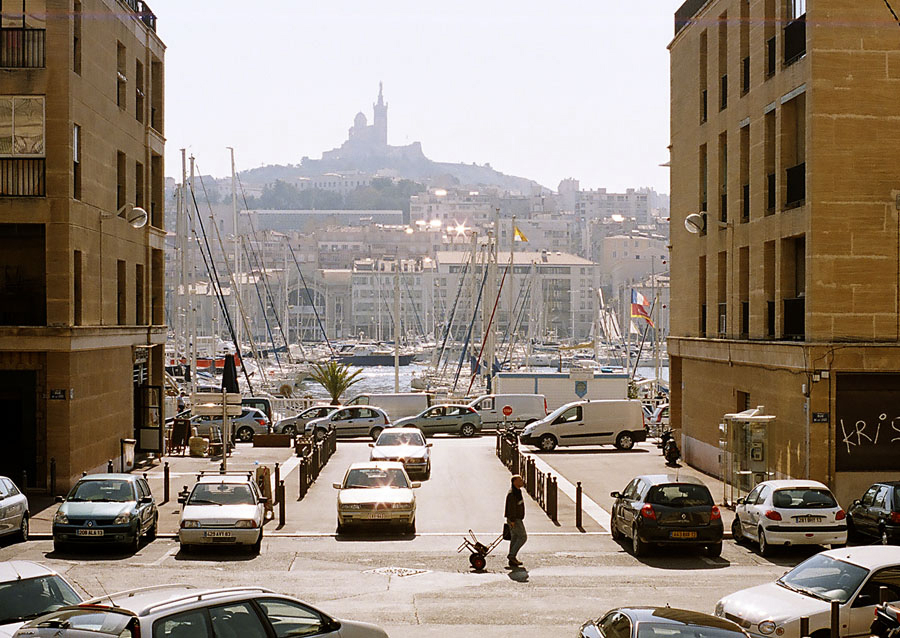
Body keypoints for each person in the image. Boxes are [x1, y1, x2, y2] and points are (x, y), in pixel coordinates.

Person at [505, 474, 526, 567]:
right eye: (520, 480)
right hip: (515, 519)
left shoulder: (518, 491)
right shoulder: (512, 493)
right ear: (515, 482)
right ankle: (512, 556)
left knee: (515, 538)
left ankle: (512, 559)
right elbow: (511, 508)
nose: (522, 482)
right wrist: (512, 520)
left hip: (516, 518)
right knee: (522, 537)